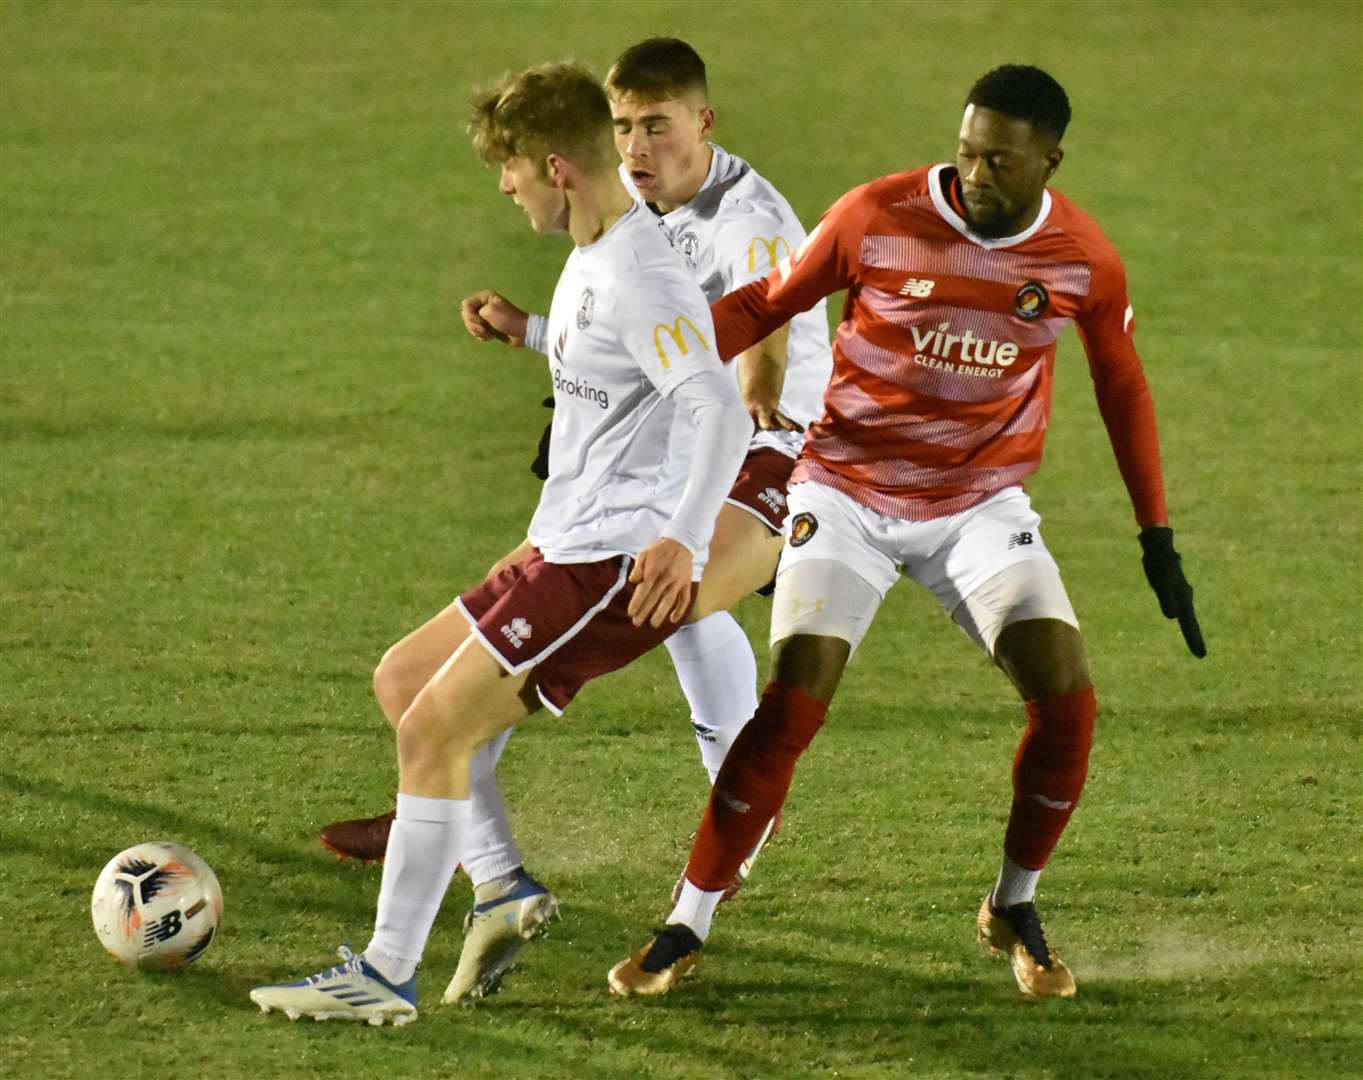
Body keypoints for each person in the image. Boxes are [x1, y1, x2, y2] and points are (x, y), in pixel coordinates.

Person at [608, 64, 1205, 1002]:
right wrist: (641, 368)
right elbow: (766, 302)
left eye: (999, 162)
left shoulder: (1081, 257)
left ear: (1048, 161)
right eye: (965, 151)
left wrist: (1155, 536)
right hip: (844, 489)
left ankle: (1013, 903)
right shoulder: (877, 215)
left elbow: (1122, 386)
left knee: (1067, 700)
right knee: (797, 698)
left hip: (978, 506)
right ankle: (686, 921)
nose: (973, 173)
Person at [315, 38, 834, 1002]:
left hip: (769, 451)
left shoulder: (745, 222)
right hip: (662, 452)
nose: (636, 146)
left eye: (655, 127)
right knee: (458, 668)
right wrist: (532, 333)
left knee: (666, 599)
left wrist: (739, 415)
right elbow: (633, 338)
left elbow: (755, 353)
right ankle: (454, 802)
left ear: (702, 124)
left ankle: (718, 805)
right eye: (623, 127)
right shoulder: (623, 228)